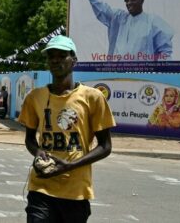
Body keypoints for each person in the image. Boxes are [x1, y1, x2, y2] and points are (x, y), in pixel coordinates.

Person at [18, 35, 116, 222]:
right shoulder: (35, 97)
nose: (55, 60)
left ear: (74, 61)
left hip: (75, 191)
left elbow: (105, 146)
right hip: (41, 187)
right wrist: (38, 152)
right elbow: (30, 139)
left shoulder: (92, 97)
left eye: (62, 55)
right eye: (51, 56)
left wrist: (71, 165)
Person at [83, 0, 173, 60]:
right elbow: (103, 9)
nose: (129, 3)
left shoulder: (152, 21)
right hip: (117, 72)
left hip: (142, 73)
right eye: (126, 0)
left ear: (142, 0)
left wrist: (161, 72)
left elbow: (165, 52)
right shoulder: (119, 18)